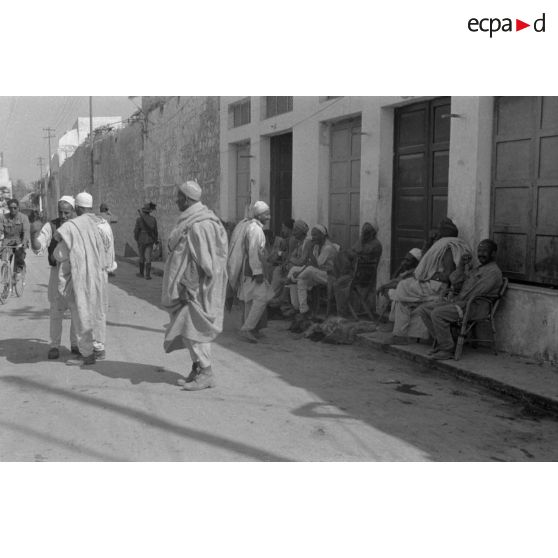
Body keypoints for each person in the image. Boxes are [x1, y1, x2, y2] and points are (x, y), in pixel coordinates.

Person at [161, 180, 228, 391]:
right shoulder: (191, 220)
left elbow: (206, 263)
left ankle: (206, 373)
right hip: (186, 286)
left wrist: (189, 286)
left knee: (194, 330)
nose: (176, 201)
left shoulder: (201, 224)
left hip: (194, 289)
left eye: (179, 197)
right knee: (187, 330)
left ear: (188, 199)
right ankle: (197, 369)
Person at [53, 192, 116, 366]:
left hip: (82, 277)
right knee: (99, 311)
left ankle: (87, 354)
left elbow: (59, 254)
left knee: (81, 313)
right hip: (101, 275)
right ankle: (99, 348)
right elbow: (110, 251)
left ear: (76, 207)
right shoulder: (103, 223)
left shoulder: (72, 226)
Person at [387, 218, 472, 343]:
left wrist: (430, 276)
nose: (436, 232)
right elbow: (424, 263)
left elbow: (448, 275)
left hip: (438, 287)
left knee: (402, 288)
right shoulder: (440, 246)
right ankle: (401, 334)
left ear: (442, 233)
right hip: (431, 285)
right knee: (401, 292)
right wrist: (428, 241)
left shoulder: (447, 248)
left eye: (438, 230)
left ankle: (400, 334)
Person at [418, 239, 503, 360]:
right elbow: (455, 281)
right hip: (462, 303)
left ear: (493, 253)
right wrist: (461, 266)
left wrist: (455, 300)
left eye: (485, 251)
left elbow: (476, 292)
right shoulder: (478, 268)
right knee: (424, 309)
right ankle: (444, 341)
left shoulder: (493, 272)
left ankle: (447, 349)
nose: (481, 254)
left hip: (474, 307)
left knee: (437, 313)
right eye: (479, 251)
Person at [31, 195, 78, 360]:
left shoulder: (79, 225)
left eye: (67, 212)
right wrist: (33, 235)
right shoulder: (51, 226)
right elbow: (38, 247)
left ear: (73, 211)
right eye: (61, 212)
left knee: (76, 310)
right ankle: (54, 346)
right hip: (57, 273)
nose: (63, 216)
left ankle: (75, 344)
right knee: (56, 311)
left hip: (76, 274)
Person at [234, 201, 273, 343]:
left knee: (250, 300)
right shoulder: (255, 229)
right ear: (260, 215)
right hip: (252, 270)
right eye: (266, 214)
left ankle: (251, 328)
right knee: (261, 299)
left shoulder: (252, 227)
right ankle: (248, 329)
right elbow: (253, 252)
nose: (269, 217)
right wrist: (257, 272)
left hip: (249, 269)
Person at [333, 222, 383, 317]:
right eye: (363, 231)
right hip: (357, 273)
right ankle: (343, 310)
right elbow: (353, 251)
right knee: (341, 255)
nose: (363, 233)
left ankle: (342, 313)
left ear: (372, 233)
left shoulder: (375, 244)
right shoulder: (364, 241)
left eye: (366, 232)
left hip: (363, 277)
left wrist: (354, 251)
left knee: (337, 284)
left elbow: (357, 254)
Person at [287, 224, 338, 316]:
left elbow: (316, 265)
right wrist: (299, 272)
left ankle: (291, 279)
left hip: (329, 275)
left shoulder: (328, 248)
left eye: (315, 235)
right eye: (312, 235)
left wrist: (309, 250)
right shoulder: (317, 246)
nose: (313, 237)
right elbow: (310, 263)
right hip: (317, 273)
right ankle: (303, 310)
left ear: (322, 235)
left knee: (308, 270)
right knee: (300, 277)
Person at [0, 198, 30, 274]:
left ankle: (18, 275)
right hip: (7, 241)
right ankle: (6, 277)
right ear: (8, 208)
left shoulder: (24, 218)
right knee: (5, 259)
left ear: (18, 207)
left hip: (19, 241)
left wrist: (23, 243)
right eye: (10, 208)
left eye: (15, 208)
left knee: (19, 261)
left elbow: (26, 232)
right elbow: (0, 230)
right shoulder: (3, 217)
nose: (13, 210)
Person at [134, 202, 158, 280]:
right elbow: (155, 231)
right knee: (148, 258)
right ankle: (147, 275)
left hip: (141, 239)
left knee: (141, 257)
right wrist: (155, 239)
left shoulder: (139, 219)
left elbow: (136, 230)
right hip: (150, 239)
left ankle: (141, 273)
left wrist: (136, 238)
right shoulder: (153, 219)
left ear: (144, 211)